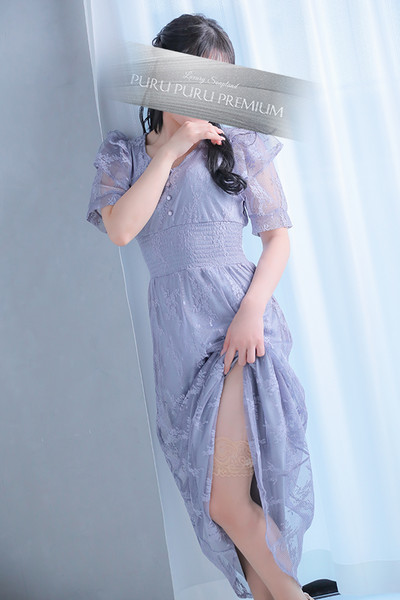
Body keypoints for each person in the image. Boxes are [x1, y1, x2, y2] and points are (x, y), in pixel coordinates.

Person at [86, 13, 315, 600]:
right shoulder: (125, 155)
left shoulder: (238, 146)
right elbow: (121, 230)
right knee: (233, 507)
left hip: (240, 332)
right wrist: (172, 148)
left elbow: (278, 238)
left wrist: (252, 312)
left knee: (228, 500)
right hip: (179, 344)